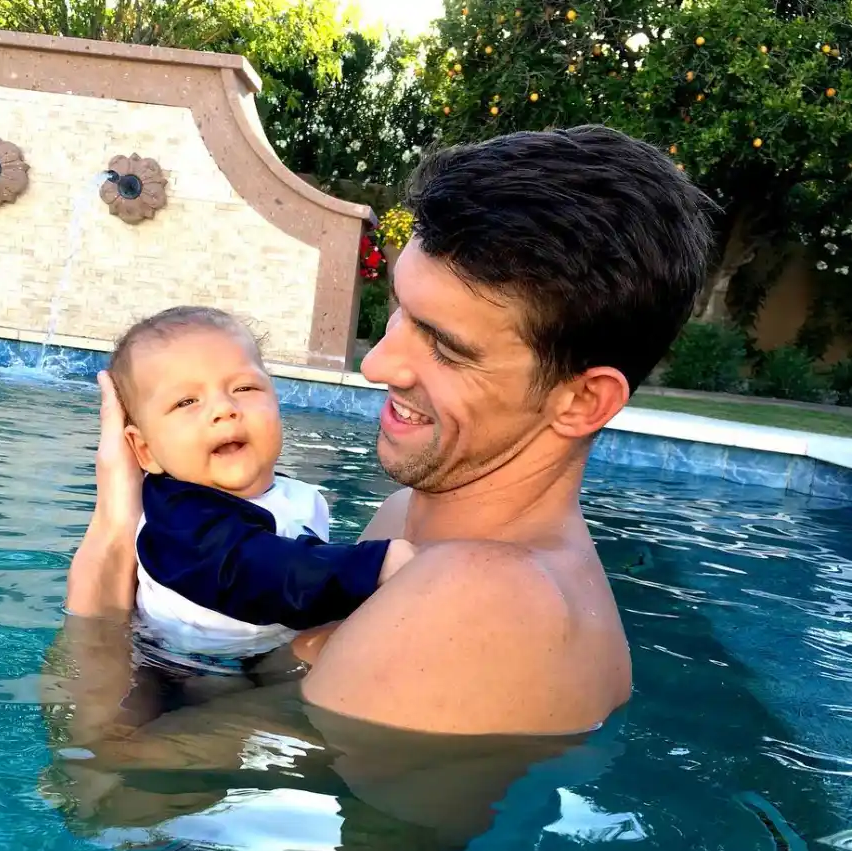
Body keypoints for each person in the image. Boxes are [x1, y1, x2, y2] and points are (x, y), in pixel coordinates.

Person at [65, 124, 715, 738]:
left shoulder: (482, 599)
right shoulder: (409, 519)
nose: (376, 364)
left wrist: (112, 540)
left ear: (580, 400)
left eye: (445, 346)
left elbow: (105, 782)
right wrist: (121, 513)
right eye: (400, 311)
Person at [104, 305, 415, 677]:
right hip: (181, 673)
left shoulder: (289, 494)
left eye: (245, 388)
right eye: (186, 402)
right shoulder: (177, 520)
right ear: (145, 451)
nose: (224, 408)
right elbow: (255, 570)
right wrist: (371, 566)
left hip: (262, 657)